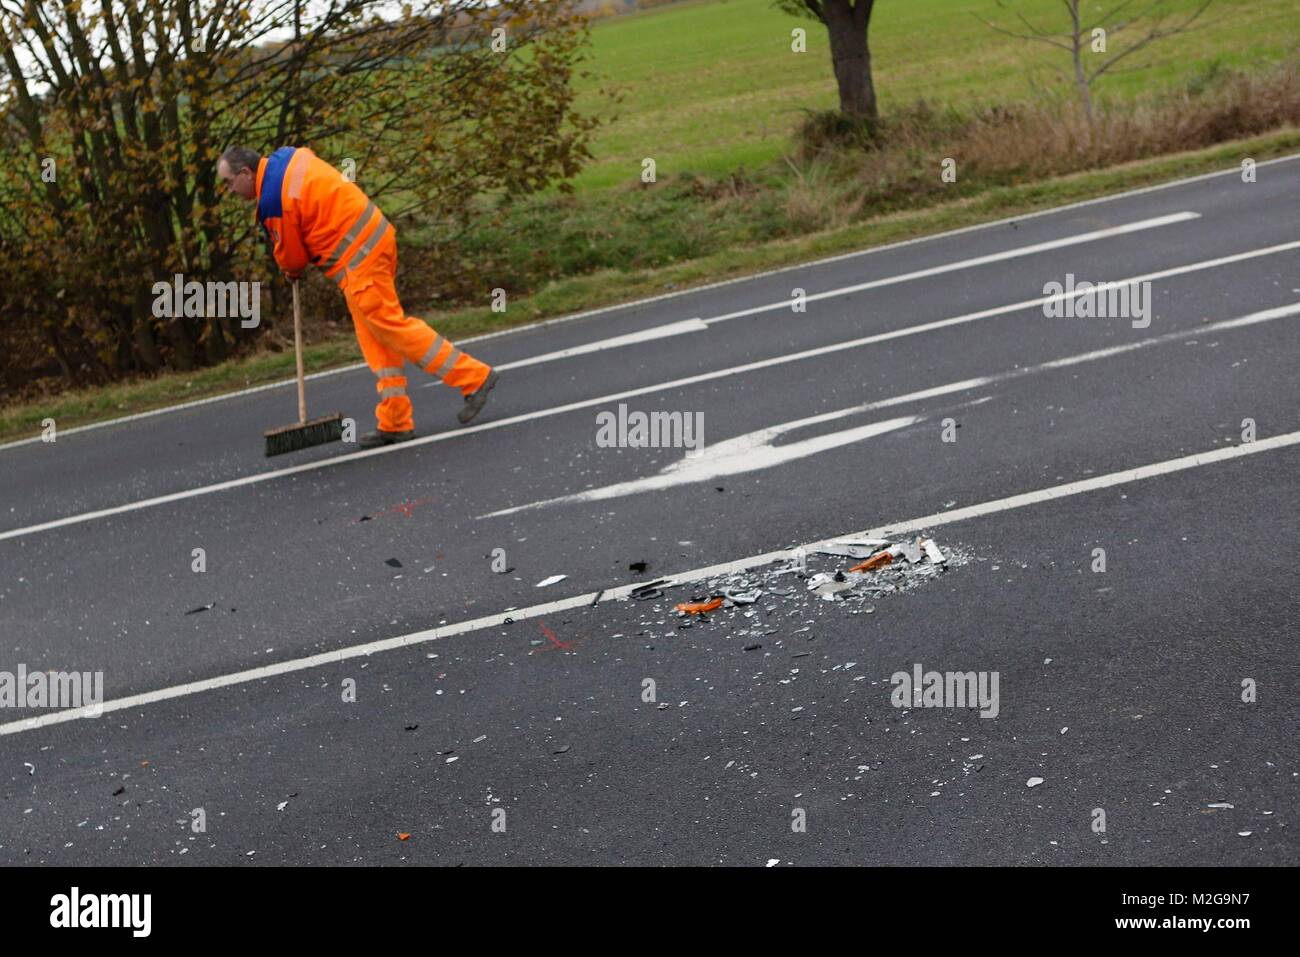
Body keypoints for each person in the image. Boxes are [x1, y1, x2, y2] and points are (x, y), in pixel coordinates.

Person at [218, 145, 498, 446]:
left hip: (359, 255)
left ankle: (473, 377)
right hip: (371, 239)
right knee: (375, 337)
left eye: (229, 182)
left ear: (246, 174)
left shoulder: (273, 201)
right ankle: (395, 420)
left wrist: (290, 270)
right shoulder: (285, 158)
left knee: (390, 325)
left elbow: (292, 258)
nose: (229, 190)